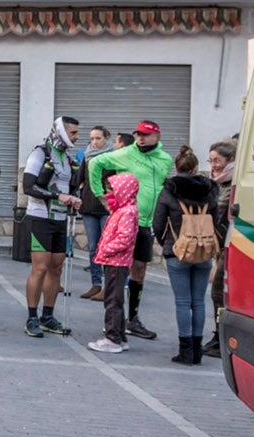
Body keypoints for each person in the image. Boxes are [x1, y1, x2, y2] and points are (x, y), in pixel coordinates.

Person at [81, 120, 177, 341]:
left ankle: (133, 319)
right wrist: (100, 195)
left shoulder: (165, 159)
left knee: (139, 270)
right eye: (138, 134)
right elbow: (94, 164)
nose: (141, 138)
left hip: (147, 224)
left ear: (157, 137)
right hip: (126, 221)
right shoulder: (125, 153)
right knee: (118, 271)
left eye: (145, 135)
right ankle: (114, 322)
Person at [152, 147, 229, 365]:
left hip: (178, 250)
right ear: (196, 168)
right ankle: (197, 349)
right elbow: (215, 221)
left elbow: (158, 223)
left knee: (182, 302)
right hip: (204, 250)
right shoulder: (210, 191)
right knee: (198, 301)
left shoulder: (168, 191)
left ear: (176, 168)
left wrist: (167, 244)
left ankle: (185, 350)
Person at [21, 117, 81, 338]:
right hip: (40, 217)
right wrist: (58, 196)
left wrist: (75, 198)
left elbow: (70, 186)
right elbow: (28, 186)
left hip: (60, 218)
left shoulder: (67, 158)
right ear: (61, 132)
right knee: (41, 267)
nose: (76, 137)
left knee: (56, 267)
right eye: (73, 133)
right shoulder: (40, 153)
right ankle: (32, 317)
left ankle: (48, 316)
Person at [87, 170, 141, 353]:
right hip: (115, 261)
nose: (108, 194)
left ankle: (113, 338)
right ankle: (120, 337)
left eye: (111, 191)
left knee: (112, 301)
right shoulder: (122, 210)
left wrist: (105, 249)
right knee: (115, 300)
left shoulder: (126, 212)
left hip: (116, 262)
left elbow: (124, 238)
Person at [76, 126, 111, 300]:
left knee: (106, 248)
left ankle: (107, 285)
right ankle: (95, 284)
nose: (95, 142)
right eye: (92, 138)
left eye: (98, 138)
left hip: (106, 208)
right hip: (89, 206)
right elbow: (79, 178)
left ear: (107, 138)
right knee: (93, 248)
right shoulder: (88, 156)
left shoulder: (113, 157)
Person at [206, 138, 237, 318]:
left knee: (218, 292)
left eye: (217, 160)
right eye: (210, 161)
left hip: (229, 244)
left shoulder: (232, 185)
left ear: (230, 160)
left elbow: (217, 212)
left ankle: (219, 338)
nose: (213, 165)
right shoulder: (216, 182)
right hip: (219, 244)